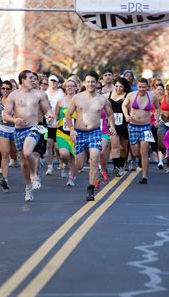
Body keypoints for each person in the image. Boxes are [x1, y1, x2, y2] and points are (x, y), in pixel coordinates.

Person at [3, 70, 54, 202]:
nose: (34, 80)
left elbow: (48, 110)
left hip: (34, 128)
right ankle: (28, 187)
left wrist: (49, 116)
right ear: (22, 80)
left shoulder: (39, 94)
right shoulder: (13, 95)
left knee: (27, 152)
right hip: (19, 130)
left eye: (34, 78)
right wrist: (14, 120)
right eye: (30, 78)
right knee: (24, 163)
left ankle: (34, 175)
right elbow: (5, 115)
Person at [65, 71, 116, 201]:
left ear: (97, 83)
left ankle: (91, 189)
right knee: (80, 165)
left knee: (94, 160)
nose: (90, 84)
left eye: (93, 82)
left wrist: (112, 126)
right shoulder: (77, 98)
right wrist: (71, 129)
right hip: (80, 133)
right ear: (84, 83)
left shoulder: (102, 99)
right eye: (88, 82)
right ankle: (83, 162)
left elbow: (110, 114)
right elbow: (68, 115)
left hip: (94, 132)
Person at [122, 77, 160, 184]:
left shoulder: (152, 96)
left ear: (147, 87)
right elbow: (124, 105)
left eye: (144, 87)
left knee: (143, 151)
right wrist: (126, 115)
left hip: (146, 126)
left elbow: (158, 108)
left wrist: (156, 120)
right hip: (133, 126)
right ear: (137, 86)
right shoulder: (131, 95)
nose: (142, 89)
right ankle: (140, 160)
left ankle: (144, 176)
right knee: (135, 152)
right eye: (139, 87)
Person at [54, 78, 78, 186]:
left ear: (76, 87)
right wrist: (53, 120)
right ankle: (64, 163)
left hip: (76, 132)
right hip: (62, 132)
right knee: (64, 154)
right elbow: (55, 116)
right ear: (65, 88)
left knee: (74, 156)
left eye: (72, 86)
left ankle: (71, 178)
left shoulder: (79, 100)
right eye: (68, 86)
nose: (70, 87)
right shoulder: (60, 101)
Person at [108, 77, 131, 177]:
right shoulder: (108, 95)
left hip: (124, 124)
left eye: (121, 86)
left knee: (124, 148)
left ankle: (121, 165)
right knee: (114, 145)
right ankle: (116, 167)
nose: (118, 88)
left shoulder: (127, 96)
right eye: (116, 86)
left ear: (124, 87)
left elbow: (130, 109)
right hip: (113, 124)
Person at [45, 74, 65, 176]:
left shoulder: (61, 93)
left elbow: (64, 107)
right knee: (49, 144)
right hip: (48, 122)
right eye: (51, 80)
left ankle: (61, 163)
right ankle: (49, 166)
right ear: (48, 81)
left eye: (55, 81)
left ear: (58, 83)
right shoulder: (45, 93)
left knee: (57, 147)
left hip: (58, 122)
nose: (52, 82)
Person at [157, 79, 169, 170]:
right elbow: (156, 108)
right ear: (166, 89)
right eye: (168, 88)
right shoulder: (161, 98)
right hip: (163, 123)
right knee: (161, 144)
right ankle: (164, 152)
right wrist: (156, 119)